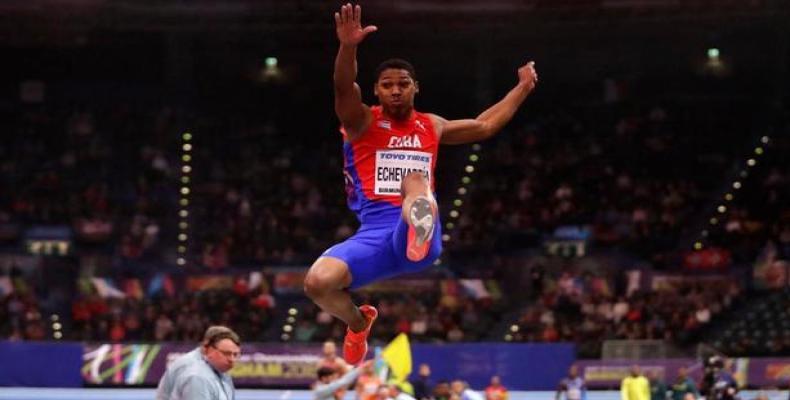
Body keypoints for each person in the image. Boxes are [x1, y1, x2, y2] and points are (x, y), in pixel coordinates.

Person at [303, 2, 539, 365]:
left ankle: (419, 229)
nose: (395, 90)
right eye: (387, 85)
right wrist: (348, 46)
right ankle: (358, 323)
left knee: (414, 180)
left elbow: (485, 125)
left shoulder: (433, 125)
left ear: (416, 87)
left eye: (403, 84)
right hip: (374, 235)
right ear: (377, 91)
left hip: (418, 227)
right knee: (317, 283)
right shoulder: (361, 122)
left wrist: (522, 88)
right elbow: (341, 84)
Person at [156, 325, 241, 400]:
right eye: (226, 353)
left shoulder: (217, 366)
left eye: (235, 354)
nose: (231, 359)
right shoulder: (191, 369)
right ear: (207, 345)